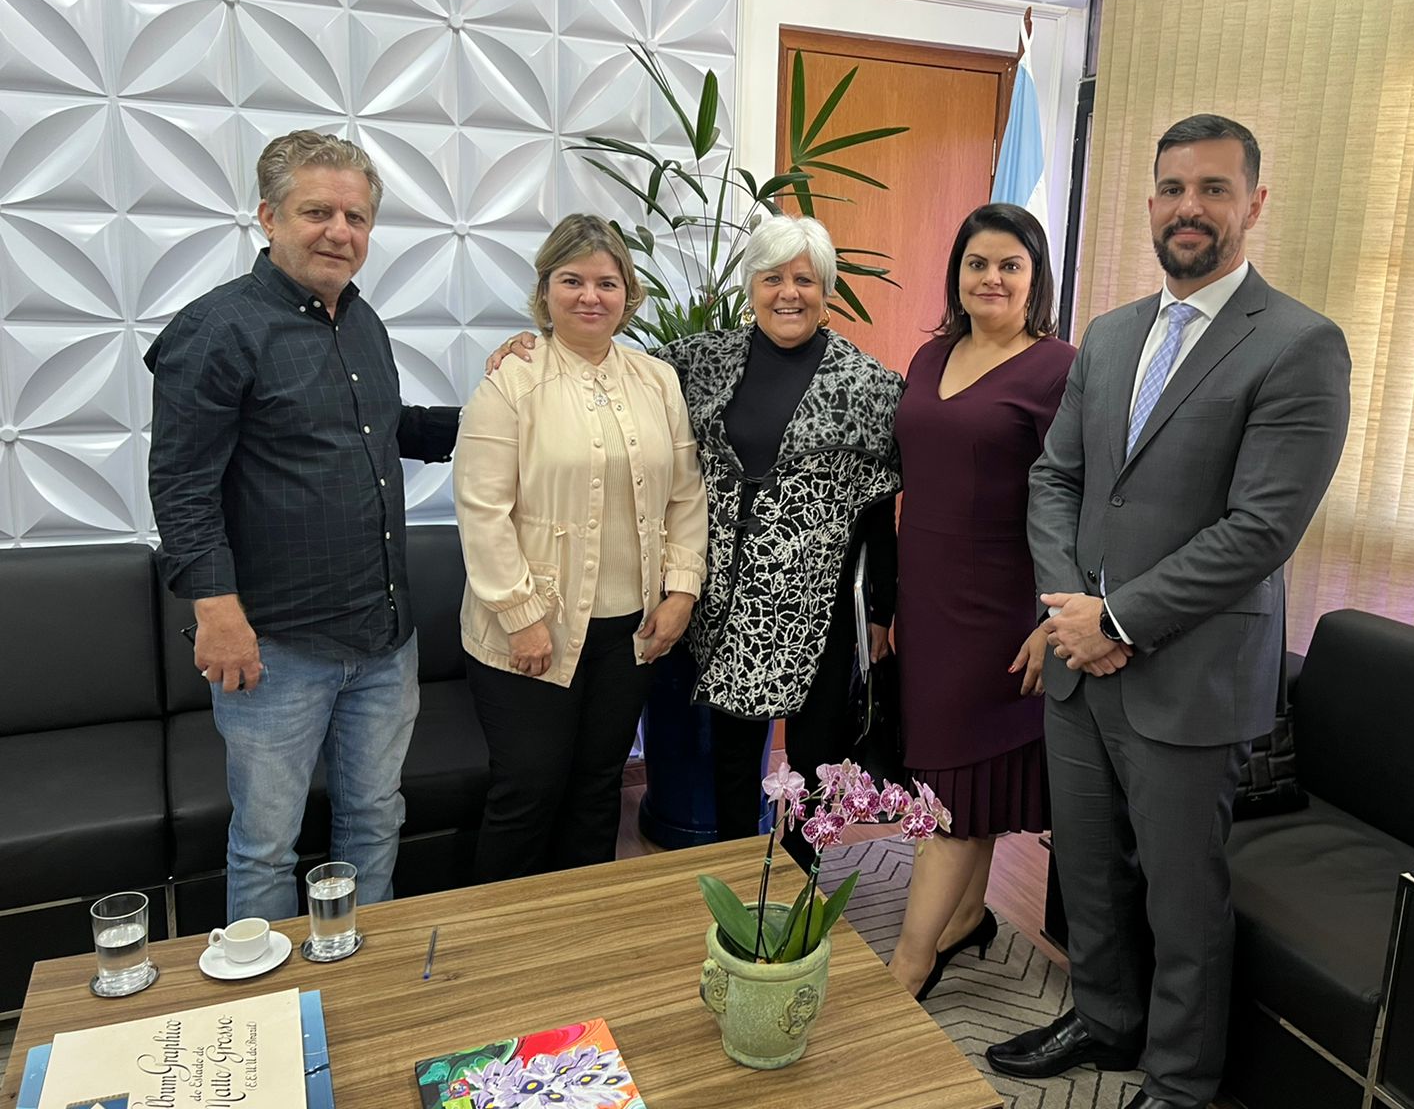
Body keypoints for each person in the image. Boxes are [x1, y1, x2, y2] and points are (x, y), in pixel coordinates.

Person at [986, 115, 1352, 1109]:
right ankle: (1105, 1019)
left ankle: (1183, 1080)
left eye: (1213, 189)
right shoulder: (1109, 335)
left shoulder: (1299, 345)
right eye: (1173, 188)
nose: (1189, 207)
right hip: (1080, 663)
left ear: (1253, 204)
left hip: (1190, 676)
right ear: (1149, 203)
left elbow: (1260, 530)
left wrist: (1115, 620)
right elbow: (1056, 478)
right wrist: (1072, 612)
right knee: (1088, 871)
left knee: (1184, 897)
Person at [146, 130, 461, 921]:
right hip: (277, 648)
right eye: (317, 212)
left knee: (375, 818)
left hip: (384, 639)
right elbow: (182, 486)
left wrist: (504, 415)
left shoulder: (361, 321)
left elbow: (384, 427)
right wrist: (216, 613)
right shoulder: (216, 329)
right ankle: (270, 991)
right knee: (266, 843)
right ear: (269, 217)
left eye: (356, 217)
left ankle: (360, 970)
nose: (339, 232)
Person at [453, 214, 708, 881]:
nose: (590, 296)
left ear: (628, 294)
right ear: (546, 290)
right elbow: (481, 510)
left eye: (607, 282)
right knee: (528, 790)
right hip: (531, 630)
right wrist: (521, 615)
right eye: (572, 281)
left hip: (630, 632)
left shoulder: (658, 380)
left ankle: (584, 927)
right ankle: (504, 933)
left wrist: (681, 592)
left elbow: (686, 493)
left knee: (599, 787)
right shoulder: (511, 380)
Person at [655, 214, 902, 869]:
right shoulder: (701, 362)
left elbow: (879, 510)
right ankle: (740, 878)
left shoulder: (870, 386)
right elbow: (611, 373)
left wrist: (882, 611)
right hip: (728, 603)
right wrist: (534, 345)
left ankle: (800, 881)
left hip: (819, 606)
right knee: (734, 761)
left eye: (805, 279)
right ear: (751, 287)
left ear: (827, 291)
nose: (789, 293)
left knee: (817, 760)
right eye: (772, 278)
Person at [886, 203, 1075, 999]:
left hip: (1003, 607)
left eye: (1009, 265)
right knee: (969, 773)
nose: (990, 278)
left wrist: (1053, 617)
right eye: (977, 263)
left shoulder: (1060, 369)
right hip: (928, 597)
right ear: (956, 274)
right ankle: (964, 919)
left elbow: (1078, 500)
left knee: (952, 795)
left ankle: (908, 965)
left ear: (1035, 280)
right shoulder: (931, 354)